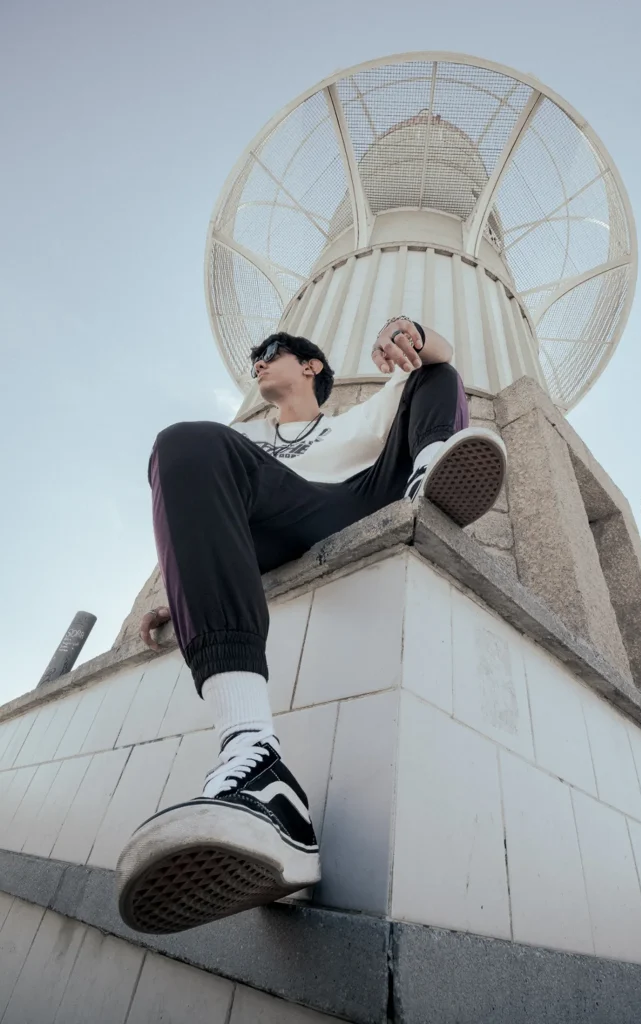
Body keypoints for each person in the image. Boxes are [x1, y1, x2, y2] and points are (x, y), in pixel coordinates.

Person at [116, 316, 506, 935]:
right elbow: (202, 502)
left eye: (270, 353)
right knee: (184, 442)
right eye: (255, 360)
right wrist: (186, 588)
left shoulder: (355, 419)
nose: (258, 365)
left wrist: (411, 332)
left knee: (437, 372)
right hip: (275, 518)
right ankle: (254, 759)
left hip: (360, 497)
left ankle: (429, 473)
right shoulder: (244, 438)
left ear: (310, 367)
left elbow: (440, 359)